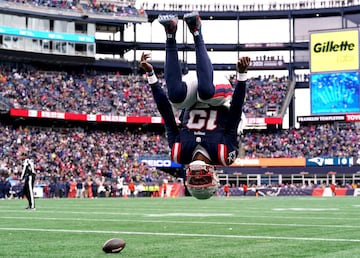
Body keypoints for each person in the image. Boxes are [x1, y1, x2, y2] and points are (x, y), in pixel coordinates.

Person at [140, 11, 250, 200]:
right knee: (206, 91)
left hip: (191, 98)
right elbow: (235, 113)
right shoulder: (224, 154)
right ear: (214, 176)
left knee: (174, 97)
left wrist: (151, 77)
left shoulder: (178, 153)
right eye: (203, 180)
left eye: (196, 181)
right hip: (219, 95)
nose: (199, 176)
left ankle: (170, 32)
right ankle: (196, 30)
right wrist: (241, 77)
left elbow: (166, 114)